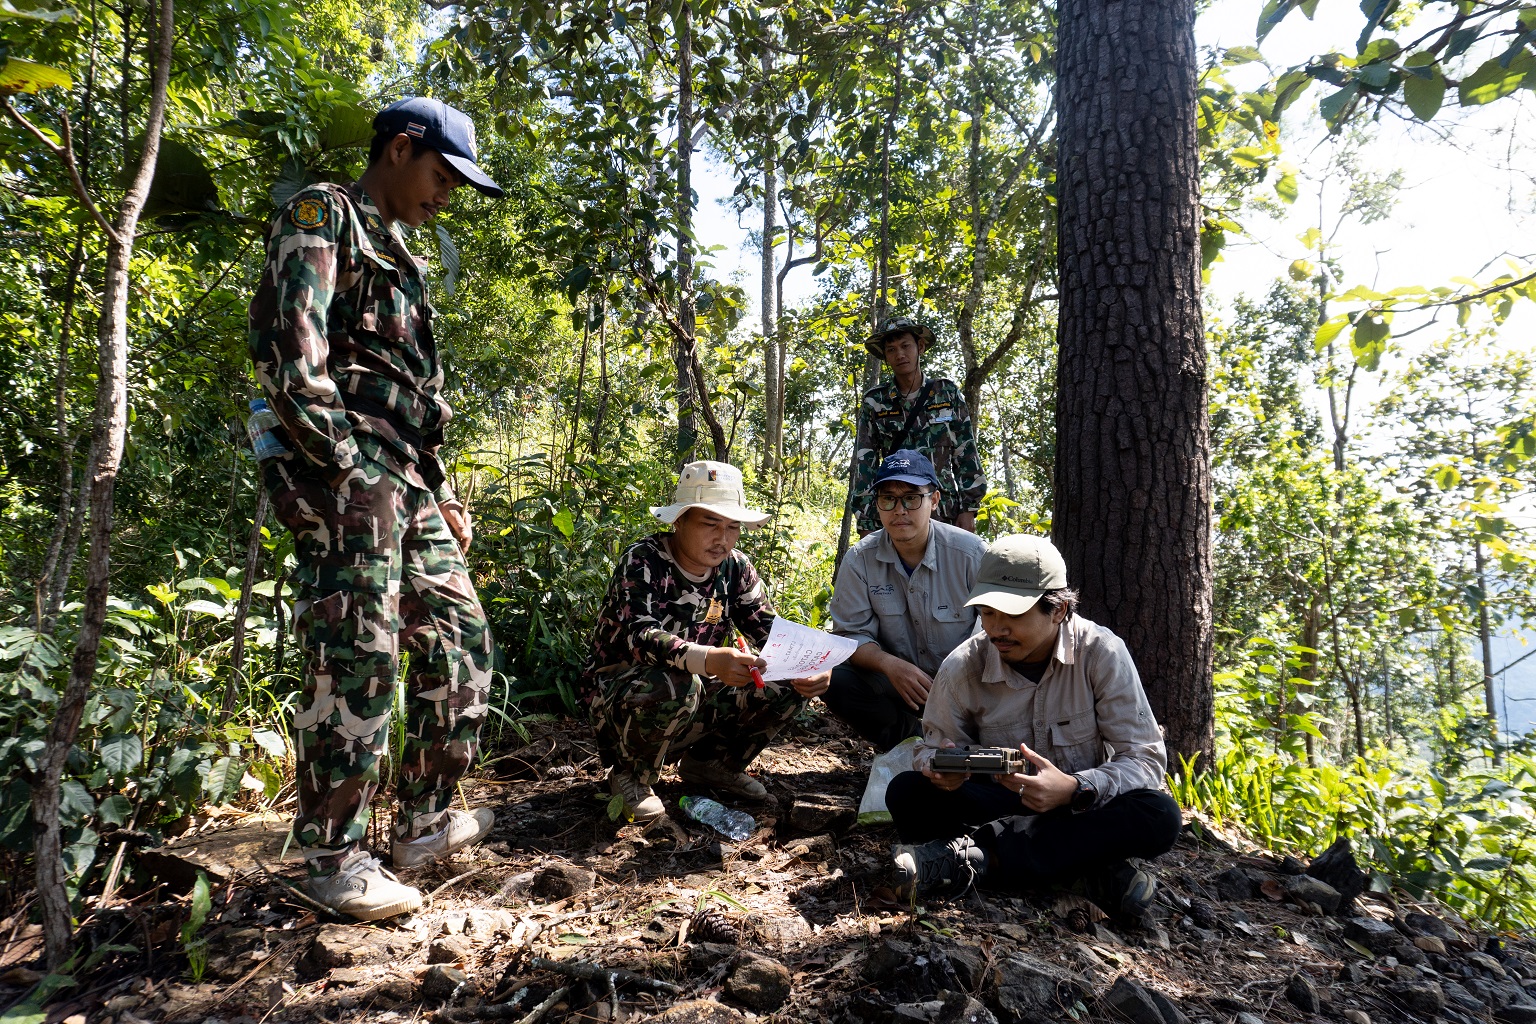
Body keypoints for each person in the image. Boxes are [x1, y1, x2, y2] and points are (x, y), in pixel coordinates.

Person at [249, 97, 505, 921]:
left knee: (461, 640)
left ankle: (424, 822)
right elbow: (293, 356)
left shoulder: (405, 256)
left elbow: (419, 394)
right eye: (441, 176)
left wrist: (445, 488)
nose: (447, 195)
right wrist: (343, 468)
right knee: (359, 657)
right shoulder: (326, 215)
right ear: (401, 150)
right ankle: (333, 855)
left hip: (408, 477)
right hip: (348, 473)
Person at [885, 535, 1183, 919]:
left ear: (1057, 610)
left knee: (1159, 815)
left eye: (1012, 615)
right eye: (988, 613)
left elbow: (1143, 760)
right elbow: (931, 749)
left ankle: (973, 859)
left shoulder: (1101, 654)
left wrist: (1074, 788)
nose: (997, 629)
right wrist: (940, 767)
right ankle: (1083, 873)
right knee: (908, 793)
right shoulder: (963, 666)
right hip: (999, 805)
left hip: (1080, 810)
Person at [585, 460, 832, 823]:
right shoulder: (644, 560)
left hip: (699, 690)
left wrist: (813, 665)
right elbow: (640, 636)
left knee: (787, 681)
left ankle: (712, 764)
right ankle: (630, 775)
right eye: (710, 524)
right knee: (674, 682)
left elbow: (770, 629)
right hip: (624, 697)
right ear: (679, 520)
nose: (723, 538)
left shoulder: (735, 568)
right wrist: (708, 659)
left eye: (733, 527)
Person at [825, 450, 986, 750]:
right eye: (888, 499)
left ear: (934, 500)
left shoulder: (971, 554)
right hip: (903, 690)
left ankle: (965, 740)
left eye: (911, 498)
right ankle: (912, 741)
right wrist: (890, 665)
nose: (899, 510)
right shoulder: (860, 560)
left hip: (968, 688)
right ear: (878, 505)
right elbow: (849, 635)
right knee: (835, 680)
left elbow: (997, 632)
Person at [852, 316, 986, 536]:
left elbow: (965, 452)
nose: (900, 355)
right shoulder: (875, 402)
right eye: (891, 349)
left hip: (943, 509)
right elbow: (864, 463)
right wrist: (866, 521)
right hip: (896, 511)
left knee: (946, 569)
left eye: (905, 346)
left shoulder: (946, 393)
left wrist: (968, 508)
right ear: (885, 356)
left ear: (920, 346)